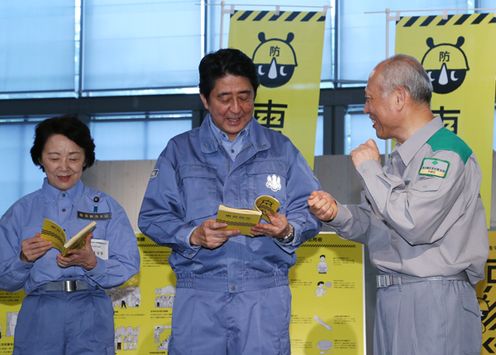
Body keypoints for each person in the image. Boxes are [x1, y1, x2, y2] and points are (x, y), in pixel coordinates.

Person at [138, 48, 321, 355]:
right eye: (224, 98)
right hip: (200, 294)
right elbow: (153, 216)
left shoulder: (281, 150)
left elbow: (311, 209)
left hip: (263, 295)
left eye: (245, 96)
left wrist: (288, 230)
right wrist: (192, 235)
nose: (236, 108)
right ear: (205, 99)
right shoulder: (180, 151)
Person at [308, 54, 488, 355]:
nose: (366, 109)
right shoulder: (397, 161)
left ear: (400, 98)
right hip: (394, 296)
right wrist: (337, 213)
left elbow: (414, 222)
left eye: (369, 99)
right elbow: (377, 225)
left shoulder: (446, 153)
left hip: (434, 298)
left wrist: (369, 169)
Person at [0, 115, 140, 355]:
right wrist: (24, 259)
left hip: (92, 310)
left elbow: (129, 266)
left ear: (86, 159)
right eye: (54, 158)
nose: (64, 167)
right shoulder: (20, 212)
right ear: (40, 159)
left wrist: (92, 263)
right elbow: (4, 279)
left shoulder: (107, 208)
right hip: (40, 312)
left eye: (73, 158)